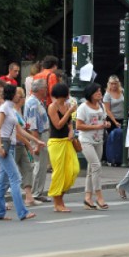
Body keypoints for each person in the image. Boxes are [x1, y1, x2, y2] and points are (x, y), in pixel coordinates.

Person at [0, 84, 44, 221]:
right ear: (12, 95)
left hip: (10, 147)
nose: (19, 96)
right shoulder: (4, 108)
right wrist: (0, 145)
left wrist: (36, 141)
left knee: (3, 181)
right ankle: (22, 212)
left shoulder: (11, 109)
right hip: (5, 147)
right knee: (15, 178)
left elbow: (20, 131)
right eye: (17, 94)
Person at [76, 82, 110, 210]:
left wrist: (105, 124)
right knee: (96, 166)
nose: (99, 93)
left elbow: (103, 119)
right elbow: (78, 126)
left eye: (100, 91)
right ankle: (99, 195)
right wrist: (96, 126)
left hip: (98, 140)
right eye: (97, 92)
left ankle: (87, 197)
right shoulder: (83, 107)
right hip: (86, 140)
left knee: (91, 170)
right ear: (90, 94)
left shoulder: (101, 105)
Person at [47, 83, 79, 212]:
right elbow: (58, 125)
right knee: (59, 173)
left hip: (67, 141)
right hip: (56, 142)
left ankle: (60, 197)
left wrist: (71, 130)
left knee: (73, 170)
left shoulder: (66, 105)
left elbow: (69, 123)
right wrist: (70, 112)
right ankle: (58, 203)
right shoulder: (52, 107)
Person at [25, 79, 51, 203]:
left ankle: (38, 192)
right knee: (39, 165)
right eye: (45, 88)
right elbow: (33, 124)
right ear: (40, 90)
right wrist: (37, 142)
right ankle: (35, 192)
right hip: (39, 136)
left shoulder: (35, 102)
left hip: (40, 136)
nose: (46, 90)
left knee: (40, 164)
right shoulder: (34, 103)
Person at [13, 87, 40, 207]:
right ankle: (0, 199)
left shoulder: (19, 110)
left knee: (27, 169)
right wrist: (29, 143)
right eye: (22, 96)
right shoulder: (12, 111)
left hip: (20, 145)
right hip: (13, 146)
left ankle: (29, 197)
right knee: (8, 174)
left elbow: (22, 129)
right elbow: (16, 132)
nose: (24, 98)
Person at [102, 75, 124, 165]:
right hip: (112, 118)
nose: (114, 86)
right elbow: (107, 110)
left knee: (121, 138)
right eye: (112, 84)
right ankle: (108, 157)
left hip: (122, 117)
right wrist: (114, 121)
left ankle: (119, 157)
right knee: (111, 138)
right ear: (109, 84)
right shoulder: (107, 95)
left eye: (115, 84)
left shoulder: (122, 92)